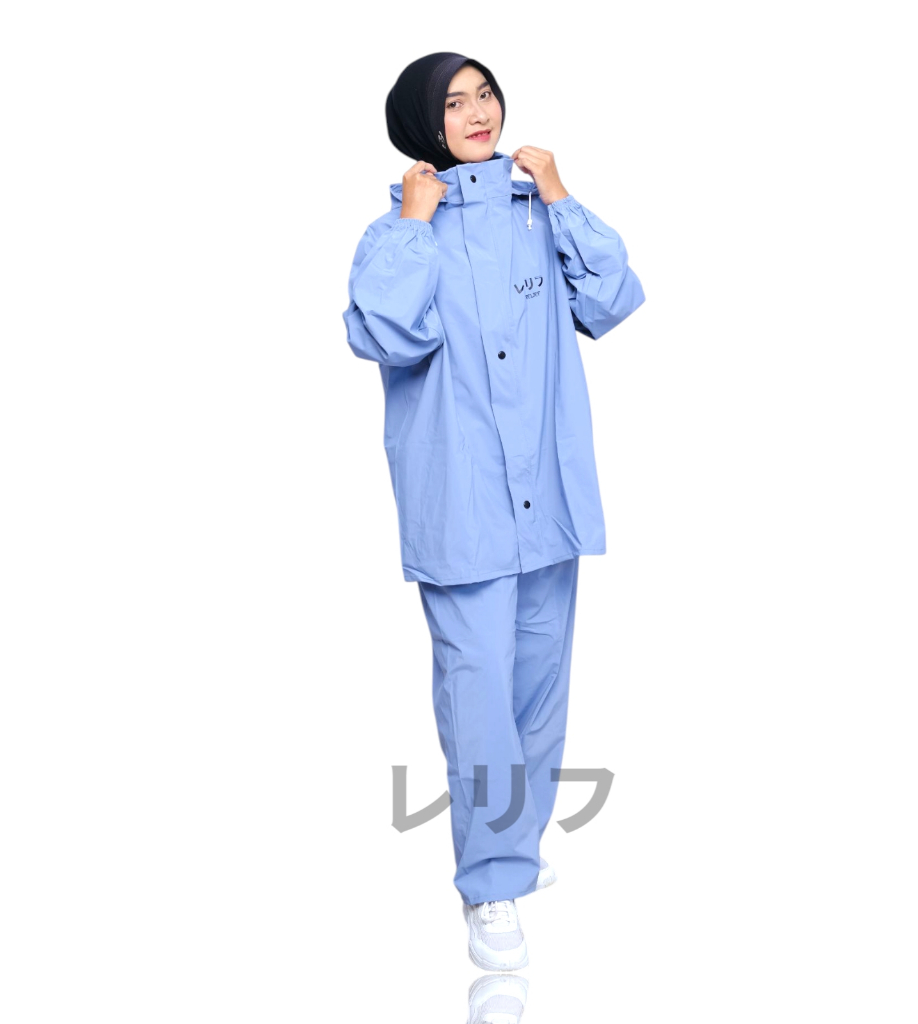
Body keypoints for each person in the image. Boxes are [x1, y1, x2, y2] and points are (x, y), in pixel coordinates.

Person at [342, 52, 646, 972]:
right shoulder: (397, 232)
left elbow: (613, 297)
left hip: (547, 496)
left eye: (485, 94)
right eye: (453, 101)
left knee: (537, 694)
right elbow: (385, 333)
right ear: (420, 123)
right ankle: (490, 884)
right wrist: (414, 221)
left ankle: (514, 845)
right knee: (478, 698)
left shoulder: (536, 215)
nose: (477, 112)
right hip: (462, 504)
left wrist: (560, 195)